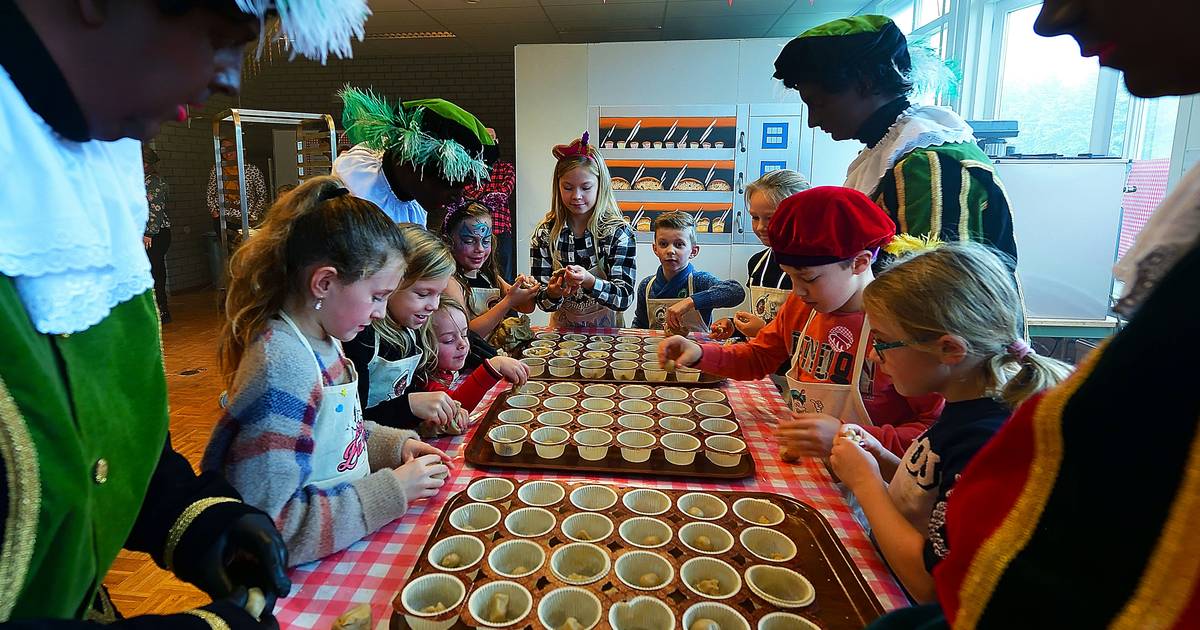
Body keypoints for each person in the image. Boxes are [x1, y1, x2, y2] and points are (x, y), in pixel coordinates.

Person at [0, 0, 371, 626]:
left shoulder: (99, 174)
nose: (230, 77)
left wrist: (197, 520)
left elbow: (110, 443)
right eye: (220, 36)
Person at [868, 0, 1200, 627]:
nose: (1049, 21)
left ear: (948, 347)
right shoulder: (967, 414)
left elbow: (956, 581)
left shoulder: (979, 428)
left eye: (883, 344)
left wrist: (866, 476)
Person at [203, 177, 450, 567]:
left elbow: (333, 433)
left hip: (337, 546)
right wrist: (392, 490)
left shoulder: (325, 338)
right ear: (324, 282)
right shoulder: (283, 368)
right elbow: (270, 526)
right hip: (293, 580)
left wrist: (393, 447)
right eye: (376, 296)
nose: (381, 313)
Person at [829, 242, 1070, 603]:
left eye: (882, 342)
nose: (876, 357)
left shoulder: (987, 440)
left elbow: (932, 584)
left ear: (949, 350)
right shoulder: (963, 407)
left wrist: (867, 484)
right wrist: (881, 457)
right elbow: (932, 491)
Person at [659, 187, 942, 459]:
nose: (798, 290)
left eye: (808, 279)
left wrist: (851, 436)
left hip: (871, 486)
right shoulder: (801, 306)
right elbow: (759, 356)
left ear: (860, 262)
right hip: (812, 464)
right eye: (790, 276)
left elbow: (934, 432)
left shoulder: (900, 329)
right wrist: (699, 354)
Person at [773, 16, 1017, 265]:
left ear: (865, 85)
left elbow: (931, 290)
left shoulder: (926, 165)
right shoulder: (892, 152)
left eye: (818, 104)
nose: (812, 121)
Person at [344, 225, 467, 436]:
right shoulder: (361, 338)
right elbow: (352, 420)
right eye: (422, 294)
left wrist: (425, 417)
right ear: (390, 284)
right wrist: (409, 406)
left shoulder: (412, 328)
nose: (434, 305)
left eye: (438, 294)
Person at [334, 86, 499, 231]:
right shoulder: (357, 190)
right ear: (413, 162)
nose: (458, 198)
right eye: (452, 184)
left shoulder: (413, 204)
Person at [531, 133, 637, 328]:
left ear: (600, 186)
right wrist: (553, 292)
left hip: (609, 336)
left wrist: (589, 281)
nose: (577, 196)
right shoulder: (545, 234)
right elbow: (541, 301)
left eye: (586, 187)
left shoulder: (618, 233)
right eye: (568, 187)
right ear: (558, 186)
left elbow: (624, 298)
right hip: (562, 337)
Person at [711, 169, 811, 342]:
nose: (760, 227)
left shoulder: (813, 269)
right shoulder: (757, 263)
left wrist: (763, 330)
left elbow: (811, 336)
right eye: (755, 217)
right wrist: (735, 326)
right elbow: (761, 314)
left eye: (770, 218)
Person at [633, 211, 745, 333]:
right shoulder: (646, 286)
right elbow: (640, 324)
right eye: (663, 244)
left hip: (697, 350)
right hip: (656, 350)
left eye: (679, 244)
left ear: (693, 251)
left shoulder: (700, 281)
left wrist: (690, 302)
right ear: (655, 249)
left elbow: (736, 291)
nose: (670, 250)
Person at [443, 202, 541, 340]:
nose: (480, 249)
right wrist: (508, 301)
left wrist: (526, 288)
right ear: (449, 241)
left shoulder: (488, 275)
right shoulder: (450, 283)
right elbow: (467, 335)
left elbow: (526, 307)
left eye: (486, 241)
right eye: (470, 241)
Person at [416, 297, 528, 415]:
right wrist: (494, 366)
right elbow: (456, 407)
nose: (463, 344)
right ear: (424, 345)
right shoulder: (425, 382)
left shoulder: (443, 370)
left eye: (464, 335)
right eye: (449, 340)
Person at [207, 137, 268, 241]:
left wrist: (253, 215)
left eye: (230, 148)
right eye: (223, 148)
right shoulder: (217, 169)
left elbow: (262, 195)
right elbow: (211, 191)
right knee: (228, 250)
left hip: (244, 220)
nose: (227, 152)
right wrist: (214, 211)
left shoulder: (251, 170)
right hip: (223, 218)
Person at [143, 145, 172, 323]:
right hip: (144, 233)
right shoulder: (139, 180)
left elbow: (156, 210)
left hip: (156, 233)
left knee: (156, 272)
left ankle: (163, 310)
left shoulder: (156, 182)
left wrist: (149, 233)